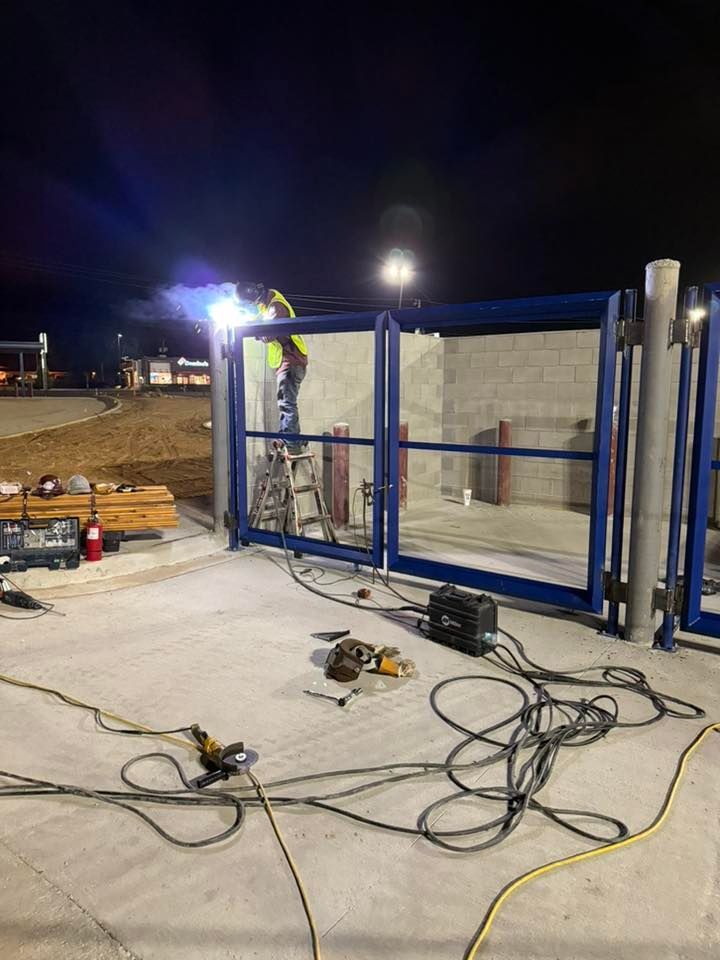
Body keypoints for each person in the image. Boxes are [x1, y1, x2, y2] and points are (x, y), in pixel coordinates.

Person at [237, 282, 308, 450]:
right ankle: (290, 437)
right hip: (290, 361)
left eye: (253, 302)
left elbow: (268, 335)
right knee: (287, 403)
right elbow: (260, 321)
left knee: (287, 403)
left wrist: (254, 332)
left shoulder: (275, 307)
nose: (255, 305)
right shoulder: (269, 305)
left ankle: (292, 443)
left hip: (290, 360)